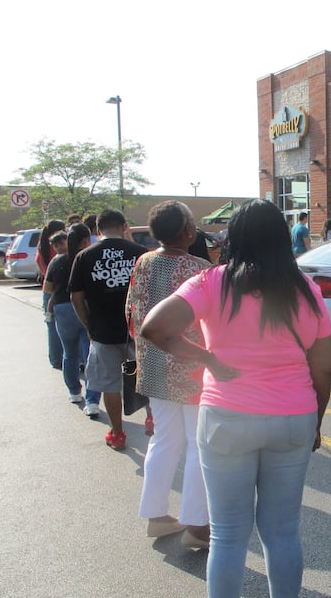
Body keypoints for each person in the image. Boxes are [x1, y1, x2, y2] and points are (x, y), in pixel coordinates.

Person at [139, 199, 331, 597]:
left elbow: (154, 328)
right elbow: (325, 367)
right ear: (282, 239)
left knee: (228, 536)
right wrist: (316, 421)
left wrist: (206, 357)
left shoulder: (211, 282)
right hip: (293, 415)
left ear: (235, 238)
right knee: (282, 533)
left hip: (227, 415)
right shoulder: (306, 289)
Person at [126, 201, 211, 547]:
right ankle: (195, 526)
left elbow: (131, 313)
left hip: (154, 365)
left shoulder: (142, 262)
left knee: (164, 439)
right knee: (197, 444)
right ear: (188, 231)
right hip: (193, 368)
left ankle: (156, 515)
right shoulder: (200, 268)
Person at [69, 209, 147, 450]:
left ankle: (117, 432)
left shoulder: (84, 256)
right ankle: (153, 418)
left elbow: (76, 297)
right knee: (146, 378)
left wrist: (88, 325)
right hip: (138, 331)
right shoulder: (141, 254)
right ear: (124, 226)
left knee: (109, 384)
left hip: (102, 332)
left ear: (97, 229)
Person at [44, 225, 101, 414]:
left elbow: (48, 287)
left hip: (61, 307)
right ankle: (92, 401)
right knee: (89, 355)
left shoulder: (57, 261)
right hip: (84, 306)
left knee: (69, 353)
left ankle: (74, 392)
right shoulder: (87, 258)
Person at [36, 219, 66, 369]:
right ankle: (67, 358)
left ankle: (55, 359)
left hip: (47, 290)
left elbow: (39, 264)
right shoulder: (58, 250)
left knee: (51, 328)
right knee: (65, 329)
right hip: (59, 291)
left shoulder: (42, 247)